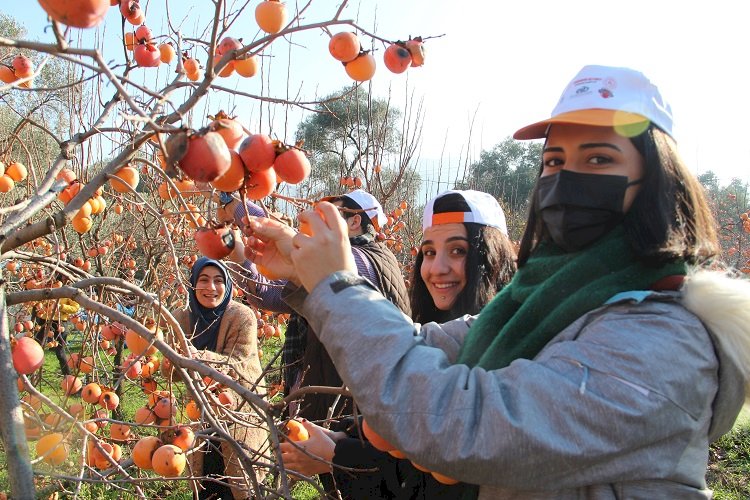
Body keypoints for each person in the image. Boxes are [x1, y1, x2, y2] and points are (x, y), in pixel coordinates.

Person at [244, 65, 750, 499]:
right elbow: (428, 345)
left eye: (599, 159)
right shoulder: (550, 305)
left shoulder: (661, 340)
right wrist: (307, 276)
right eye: (554, 162)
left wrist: (338, 285)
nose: (566, 178)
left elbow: (458, 422)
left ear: (658, 178)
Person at [279, 190, 517, 499]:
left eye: (458, 251)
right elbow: (399, 418)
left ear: (492, 257)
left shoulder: (502, 347)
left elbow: (439, 463)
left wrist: (339, 454)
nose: (437, 268)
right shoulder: (436, 329)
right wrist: (343, 438)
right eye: (429, 252)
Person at [224, 189, 410, 423]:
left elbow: (324, 269)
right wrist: (234, 248)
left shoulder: (370, 261)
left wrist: (233, 202)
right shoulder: (333, 266)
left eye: (333, 214)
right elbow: (267, 294)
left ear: (355, 222)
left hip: (347, 414)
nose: (321, 222)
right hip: (318, 397)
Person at [167, 257, 267, 500]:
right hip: (199, 418)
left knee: (242, 485)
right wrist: (171, 358)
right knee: (205, 485)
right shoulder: (181, 319)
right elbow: (169, 371)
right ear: (192, 284)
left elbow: (237, 366)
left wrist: (195, 356)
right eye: (203, 280)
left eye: (218, 281)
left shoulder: (242, 316)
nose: (211, 287)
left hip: (240, 415)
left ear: (228, 285)